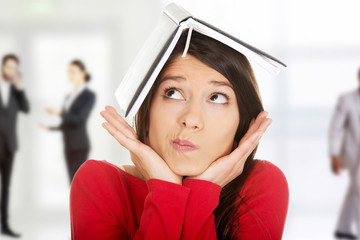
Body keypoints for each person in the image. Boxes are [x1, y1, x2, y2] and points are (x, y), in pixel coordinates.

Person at [70, 30, 289, 239]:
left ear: (241, 123)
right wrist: (165, 192)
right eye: (173, 93)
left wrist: (201, 194)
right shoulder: (100, 184)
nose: (191, 119)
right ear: (147, 110)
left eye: (216, 98)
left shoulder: (259, 185)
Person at [40, 60, 95, 183]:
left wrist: (59, 112)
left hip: (79, 145)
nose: (71, 75)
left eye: (73, 72)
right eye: (69, 72)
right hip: (68, 144)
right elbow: (66, 123)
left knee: (79, 183)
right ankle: (74, 203)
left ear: (83, 73)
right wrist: (50, 128)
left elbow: (79, 120)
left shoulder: (89, 95)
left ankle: (81, 203)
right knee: (72, 181)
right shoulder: (68, 97)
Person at [0, 54, 29, 238]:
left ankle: (4, 225)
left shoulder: (15, 91)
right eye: (9, 67)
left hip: (9, 147)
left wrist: (19, 89)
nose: (11, 71)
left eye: (14, 68)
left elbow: (26, 108)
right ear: (3, 66)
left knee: (6, 188)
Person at [329, 68, 360, 240]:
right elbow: (335, 128)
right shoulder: (347, 100)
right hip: (353, 154)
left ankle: (343, 227)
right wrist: (334, 154)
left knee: (355, 190)